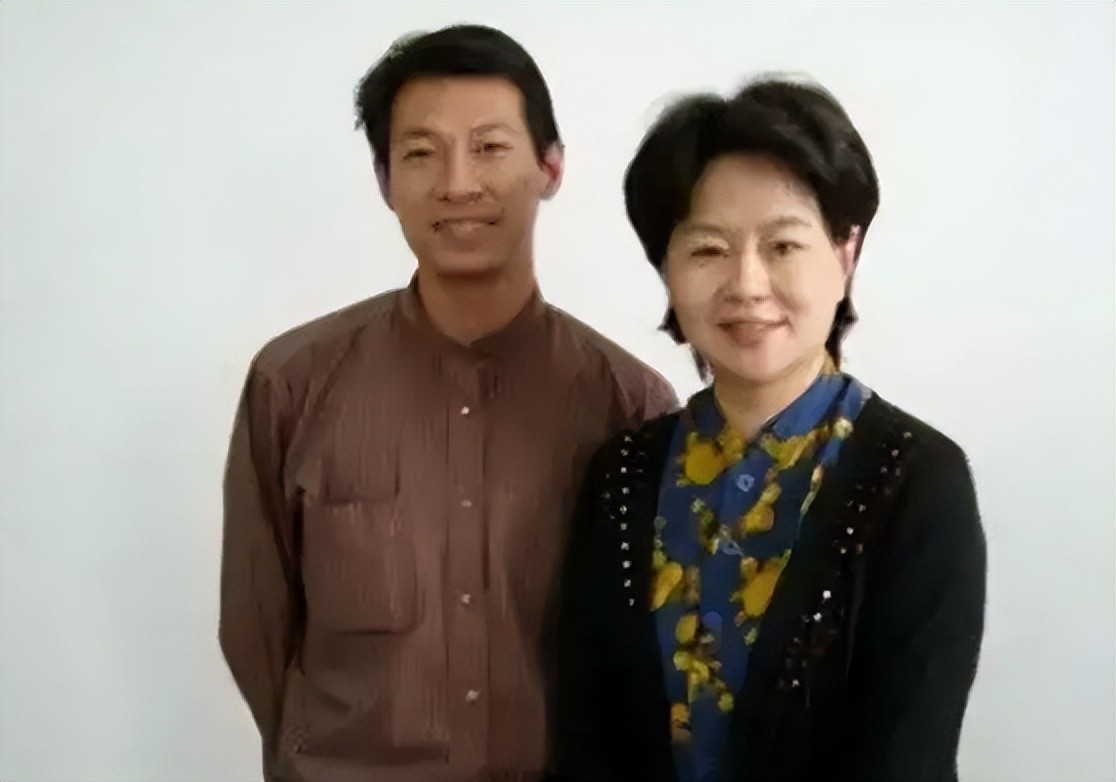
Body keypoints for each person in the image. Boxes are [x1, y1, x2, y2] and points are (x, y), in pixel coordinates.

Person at [218, 24, 677, 782]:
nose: (458, 184)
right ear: (384, 181)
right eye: (422, 154)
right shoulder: (292, 385)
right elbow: (256, 626)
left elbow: (649, 658)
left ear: (550, 167)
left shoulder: (628, 404)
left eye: (490, 147)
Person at [553, 76, 986, 782]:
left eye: (782, 245)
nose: (747, 284)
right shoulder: (622, 474)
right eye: (708, 250)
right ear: (666, 268)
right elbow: (585, 741)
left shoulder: (916, 480)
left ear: (845, 255)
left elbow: (905, 755)